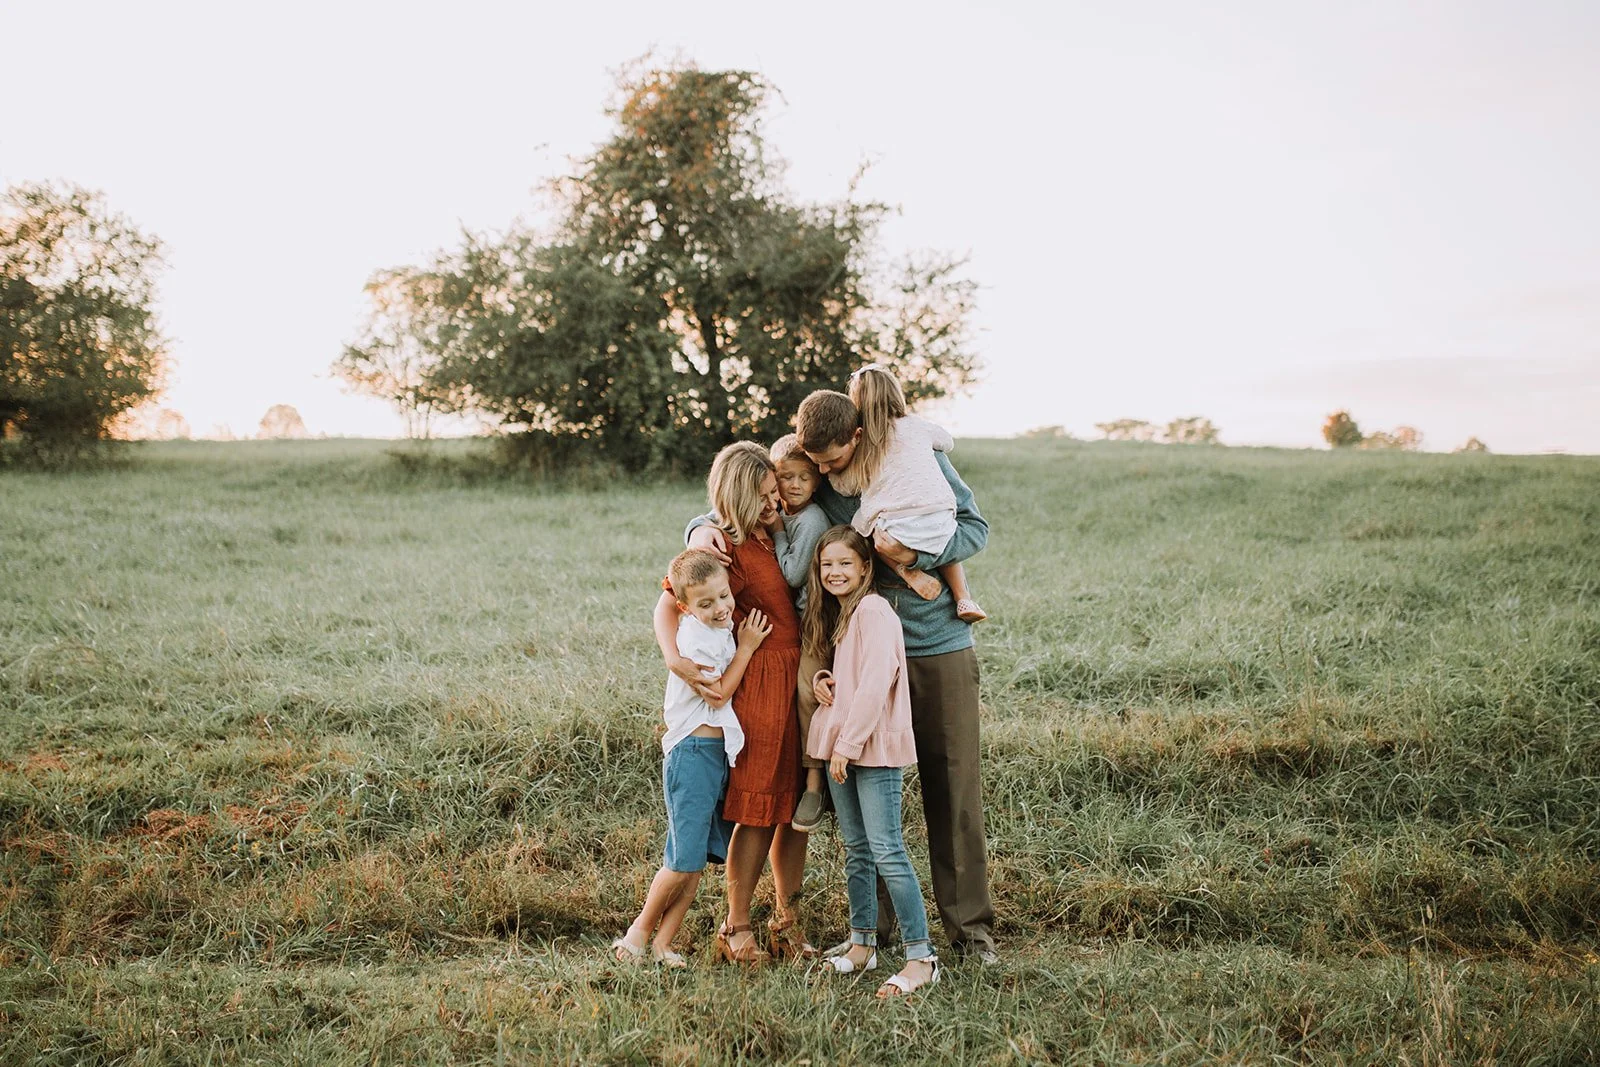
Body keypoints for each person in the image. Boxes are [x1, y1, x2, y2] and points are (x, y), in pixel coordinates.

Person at [795, 384, 999, 964]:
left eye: (833, 460)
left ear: (857, 435)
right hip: (860, 657)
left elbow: (973, 528)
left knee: (953, 786)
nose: (826, 471)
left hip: (937, 647)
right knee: (866, 794)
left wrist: (916, 558)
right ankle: (875, 931)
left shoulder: (918, 458)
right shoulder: (826, 485)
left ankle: (969, 934)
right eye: (818, 465)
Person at [652, 442, 818, 963]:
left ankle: (788, 922)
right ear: (740, 498)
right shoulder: (717, 543)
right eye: (765, 497)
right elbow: (669, 598)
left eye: (776, 492)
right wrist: (673, 657)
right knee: (759, 805)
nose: (776, 503)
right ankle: (736, 924)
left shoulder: (774, 532)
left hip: (799, 674)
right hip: (761, 679)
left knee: (791, 808)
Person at [613, 550, 771, 967]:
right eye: (706, 603)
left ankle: (665, 943)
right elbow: (717, 693)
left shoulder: (717, 627)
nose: (720, 609)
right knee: (682, 860)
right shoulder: (696, 638)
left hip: (716, 753)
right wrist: (748, 648)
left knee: (695, 860)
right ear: (684, 607)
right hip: (693, 752)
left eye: (724, 597)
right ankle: (636, 936)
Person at [805, 526, 940, 996]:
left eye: (845, 563)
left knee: (887, 849)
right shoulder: (846, 614)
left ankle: (922, 957)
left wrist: (847, 743)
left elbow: (882, 675)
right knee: (857, 849)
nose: (835, 572)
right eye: (827, 565)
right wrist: (826, 680)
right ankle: (862, 944)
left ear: (865, 567)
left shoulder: (875, 609)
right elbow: (856, 676)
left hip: (869, 747)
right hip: (843, 741)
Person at [835, 364, 986, 623]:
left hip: (896, 530)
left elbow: (848, 486)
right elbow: (947, 442)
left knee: (867, 528)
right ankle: (963, 598)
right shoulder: (918, 426)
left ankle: (905, 570)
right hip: (939, 518)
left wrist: (831, 474)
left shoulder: (865, 444)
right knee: (942, 538)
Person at [769, 434, 833, 834]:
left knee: (808, 692)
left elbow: (793, 574)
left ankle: (814, 784)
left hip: (815, 620)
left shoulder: (809, 520)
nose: (794, 485)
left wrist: (776, 531)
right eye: (786, 476)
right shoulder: (784, 511)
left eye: (804, 478)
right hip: (793, 621)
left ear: (816, 481)